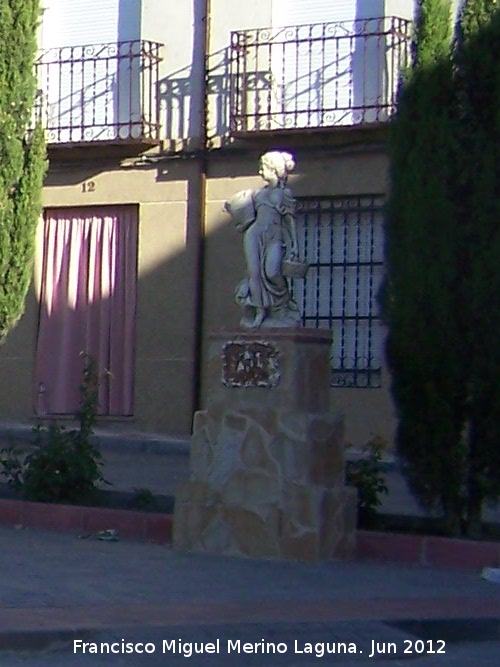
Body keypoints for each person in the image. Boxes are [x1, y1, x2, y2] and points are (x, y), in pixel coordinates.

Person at [224, 151, 302, 328]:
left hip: (275, 236)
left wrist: (294, 246)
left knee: (273, 272)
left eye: (263, 168)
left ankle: (282, 306)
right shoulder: (257, 194)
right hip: (254, 234)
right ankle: (259, 311)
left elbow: (290, 220)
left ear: (274, 169)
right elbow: (248, 218)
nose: (260, 172)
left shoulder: (285, 193)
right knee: (254, 273)